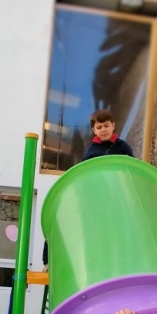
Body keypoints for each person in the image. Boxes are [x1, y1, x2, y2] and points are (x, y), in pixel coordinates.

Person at [41, 109, 135, 270]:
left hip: (115, 195)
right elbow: (84, 174)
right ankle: (48, 261)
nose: (103, 129)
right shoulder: (91, 151)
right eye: (99, 127)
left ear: (113, 126)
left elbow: (131, 169)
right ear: (93, 130)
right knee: (64, 215)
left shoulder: (123, 147)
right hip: (96, 195)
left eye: (106, 125)